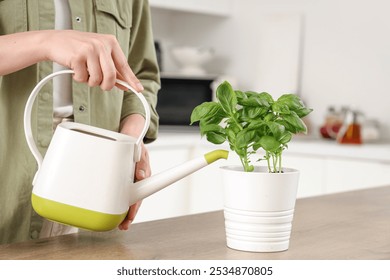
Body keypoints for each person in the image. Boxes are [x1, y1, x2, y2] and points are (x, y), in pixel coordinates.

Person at [0, 0, 160, 244]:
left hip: (98, 180)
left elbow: (141, 75)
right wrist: (46, 42)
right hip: (9, 165)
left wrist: (130, 141)